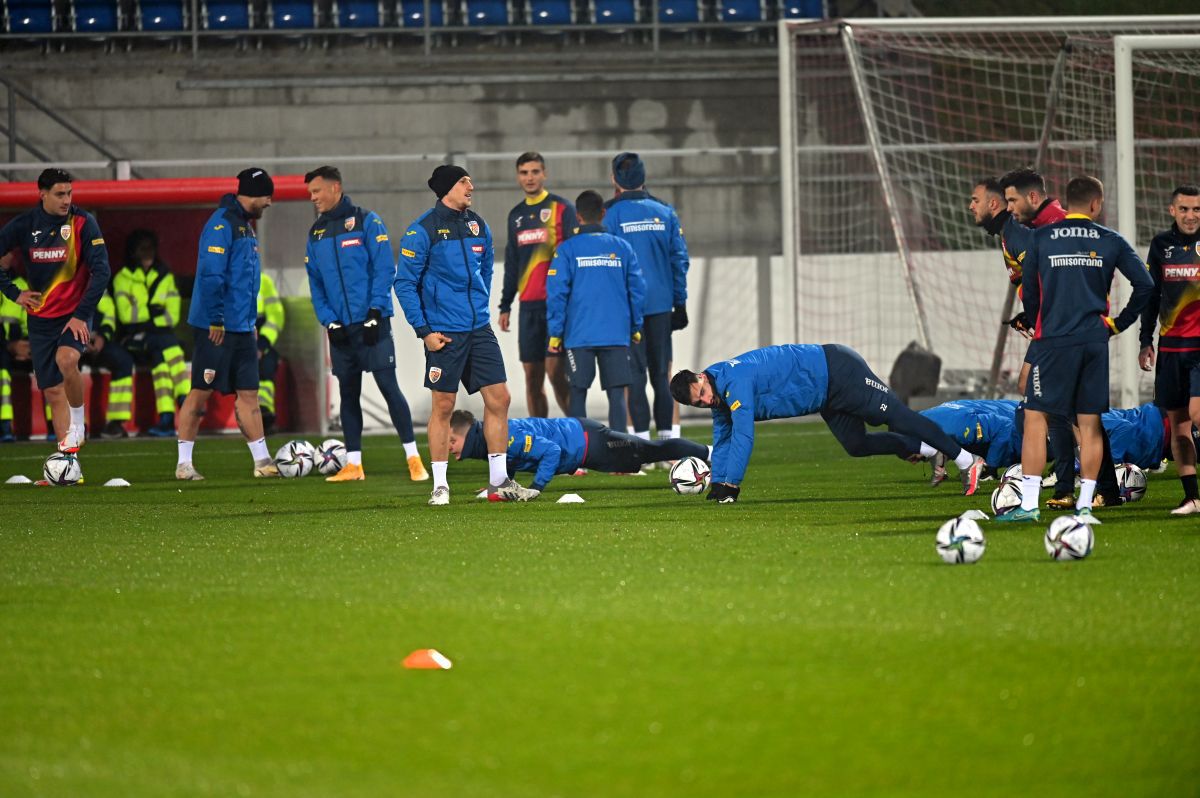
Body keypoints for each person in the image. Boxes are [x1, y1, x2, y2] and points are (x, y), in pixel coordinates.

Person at [997, 176, 1154, 522]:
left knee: (1037, 418)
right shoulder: (1110, 240)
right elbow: (1145, 284)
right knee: (1090, 422)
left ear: (1067, 203)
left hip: (1052, 342)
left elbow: (1032, 292)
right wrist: (1117, 324)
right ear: (1096, 204)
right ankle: (1084, 505)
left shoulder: (1040, 238)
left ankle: (1028, 506)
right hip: (1093, 341)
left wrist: (1037, 323)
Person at [670, 344, 985, 503]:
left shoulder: (732, 382)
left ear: (701, 377)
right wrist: (718, 483)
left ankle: (968, 460)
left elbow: (743, 435)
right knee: (856, 445)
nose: (706, 400)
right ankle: (928, 449)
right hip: (825, 395)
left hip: (838, 371)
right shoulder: (717, 391)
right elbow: (722, 436)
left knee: (899, 417)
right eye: (699, 402)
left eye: (703, 393)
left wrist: (731, 484)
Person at [395, 164, 534, 505]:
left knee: (499, 399)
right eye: (462, 181)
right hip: (444, 333)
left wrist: (479, 304)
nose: (470, 185)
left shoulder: (477, 225)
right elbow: (404, 284)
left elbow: (485, 267)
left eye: (470, 179)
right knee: (444, 406)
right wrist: (424, 331)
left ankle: (499, 483)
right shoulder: (422, 230)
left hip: (478, 328)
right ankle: (440, 485)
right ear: (446, 188)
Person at [302, 165, 428, 483]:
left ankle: (414, 458)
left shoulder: (366, 221)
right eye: (310, 193)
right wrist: (329, 321)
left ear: (335, 188)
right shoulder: (315, 234)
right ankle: (354, 465)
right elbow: (315, 284)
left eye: (316, 191)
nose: (313, 198)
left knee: (388, 387)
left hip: (373, 323)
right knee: (348, 393)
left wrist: (375, 311)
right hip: (340, 329)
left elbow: (384, 267)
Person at [175, 168, 280, 480]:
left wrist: (250, 322)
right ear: (252, 194)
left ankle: (263, 463)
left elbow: (244, 281)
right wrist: (216, 318)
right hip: (216, 328)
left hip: (243, 328)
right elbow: (211, 274)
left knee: (249, 394)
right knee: (200, 392)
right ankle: (184, 464)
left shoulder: (244, 227)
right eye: (267, 196)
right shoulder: (221, 224)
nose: (270, 203)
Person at [0, 167, 111, 453]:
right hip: (40, 318)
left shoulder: (84, 223)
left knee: (66, 359)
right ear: (42, 195)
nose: (66, 200)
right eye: (60, 194)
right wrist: (14, 293)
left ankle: (79, 425)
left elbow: (102, 273)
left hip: (75, 314)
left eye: (69, 193)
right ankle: (68, 463)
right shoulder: (25, 225)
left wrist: (80, 314)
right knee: (50, 389)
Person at [604, 152, 689, 443]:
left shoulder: (608, 215)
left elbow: (607, 267)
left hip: (626, 310)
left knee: (635, 376)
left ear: (614, 179)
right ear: (644, 177)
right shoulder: (664, 212)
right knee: (661, 375)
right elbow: (679, 260)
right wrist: (681, 301)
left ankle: (641, 444)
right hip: (661, 306)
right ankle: (669, 442)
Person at [546, 189, 645, 431]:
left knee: (578, 392)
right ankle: (619, 456)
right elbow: (637, 290)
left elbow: (557, 293)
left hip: (579, 335)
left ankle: (580, 456)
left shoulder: (566, 250)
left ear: (578, 216)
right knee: (616, 394)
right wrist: (635, 326)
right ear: (603, 213)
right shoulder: (623, 248)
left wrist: (555, 333)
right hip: (616, 334)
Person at [447, 409, 711, 496]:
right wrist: (496, 486)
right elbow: (511, 460)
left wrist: (537, 486)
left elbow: (550, 450)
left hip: (588, 441)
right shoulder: (489, 440)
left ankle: (709, 453)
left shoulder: (504, 434)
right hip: (584, 448)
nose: (448, 447)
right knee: (648, 453)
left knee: (652, 450)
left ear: (468, 433)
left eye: (451, 440)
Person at [498, 152, 576, 417]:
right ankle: (540, 441)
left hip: (556, 307)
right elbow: (512, 262)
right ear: (518, 176)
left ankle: (581, 436)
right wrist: (505, 304)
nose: (529, 177)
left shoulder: (562, 209)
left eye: (534, 172)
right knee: (532, 379)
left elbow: (572, 257)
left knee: (556, 374)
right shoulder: (515, 216)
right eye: (524, 173)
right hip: (528, 308)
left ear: (544, 174)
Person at [1138, 184, 1200, 515]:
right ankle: (1192, 497)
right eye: (1185, 209)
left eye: (1197, 210)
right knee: (1178, 426)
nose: (1191, 215)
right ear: (1172, 211)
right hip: (1171, 349)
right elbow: (1151, 296)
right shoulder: (1161, 246)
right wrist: (1145, 340)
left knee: (1198, 414)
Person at [112, 229, 188, 437]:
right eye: (142, 247)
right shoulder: (123, 278)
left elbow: (172, 316)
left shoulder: (165, 275)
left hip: (156, 340)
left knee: (161, 360)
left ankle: (165, 419)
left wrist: (147, 317)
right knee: (170, 344)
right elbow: (126, 315)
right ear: (133, 251)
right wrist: (154, 312)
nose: (148, 252)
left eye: (151, 247)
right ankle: (185, 398)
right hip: (132, 339)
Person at [80, 287, 135, 438]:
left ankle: (115, 423)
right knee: (66, 362)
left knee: (123, 360)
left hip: (96, 341)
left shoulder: (98, 282)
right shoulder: (66, 280)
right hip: (71, 340)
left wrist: (102, 337)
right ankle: (76, 424)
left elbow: (109, 316)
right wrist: (79, 341)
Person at [0, 270, 30, 442]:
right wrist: (9, 346)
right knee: (2, 363)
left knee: (48, 360)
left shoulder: (22, 284)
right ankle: (5, 426)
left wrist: (28, 345)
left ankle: (56, 427)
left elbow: (30, 321)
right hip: (4, 347)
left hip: (18, 343)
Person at [255, 269, 285, 435]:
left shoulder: (264, 281)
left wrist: (262, 345)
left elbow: (276, 316)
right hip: (236, 340)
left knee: (267, 363)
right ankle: (252, 415)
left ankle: (264, 412)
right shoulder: (228, 280)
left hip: (260, 340)